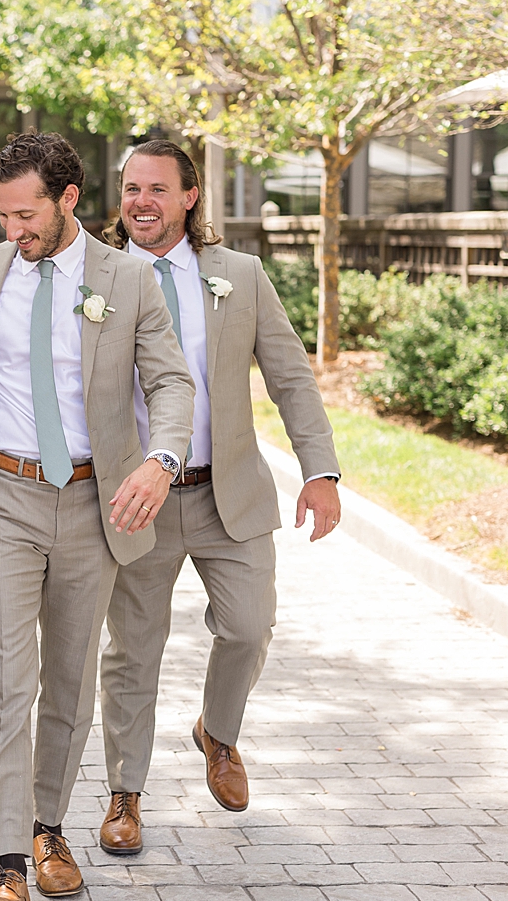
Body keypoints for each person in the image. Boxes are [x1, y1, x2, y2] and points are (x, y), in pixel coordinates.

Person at [0, 133, 194, 901]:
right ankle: (6, 867)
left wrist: (159, 460)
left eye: (26, 214)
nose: (13, 230)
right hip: (2, 494)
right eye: (2, 214)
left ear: (69, 199)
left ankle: (48, 830)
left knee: (68, 681)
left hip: (93, 501)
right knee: (5, 680)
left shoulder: (129, 278)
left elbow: (171, 380)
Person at [94, 140, 340, 857]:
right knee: (134, 654)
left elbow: (291, 377)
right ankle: (125, 796)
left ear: (190, 196)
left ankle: (218, 734)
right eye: (131, 187)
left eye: (158, 189)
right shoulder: (95, 274)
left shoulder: (240, 275)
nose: (141, 201)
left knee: (248, 626)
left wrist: (319, 471)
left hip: (226, 492)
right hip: (135, 500)